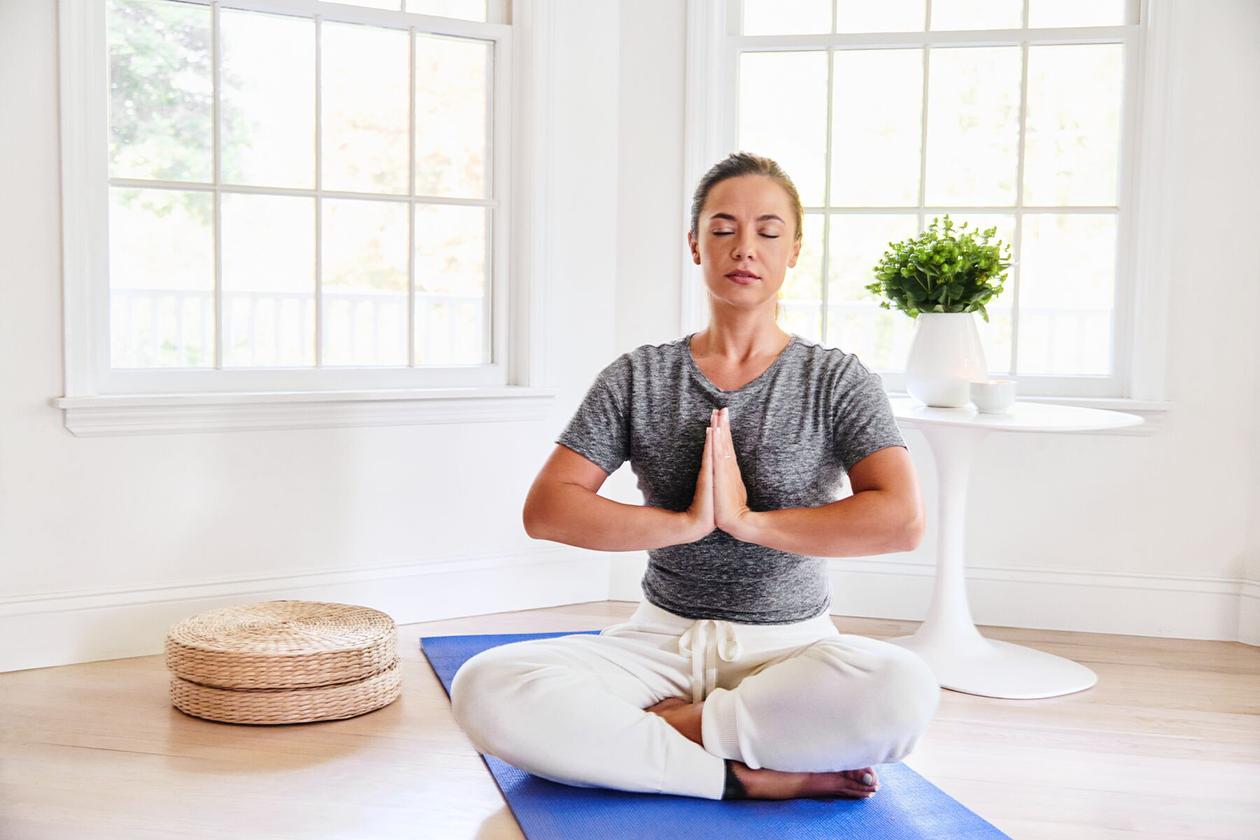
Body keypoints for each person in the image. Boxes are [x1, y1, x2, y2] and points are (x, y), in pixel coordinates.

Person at [450, 151, 939, 802]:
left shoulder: (836, 379)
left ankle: (668, 731)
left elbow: (902, 520)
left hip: (791, 651)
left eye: (768, 232)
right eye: (723, 228)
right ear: (694, 245)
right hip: (657, 643)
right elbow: (548, 510)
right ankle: (742, 777)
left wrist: (748, 522)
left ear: (794, 250)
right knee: (485, 686)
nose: (745, 248)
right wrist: (687, 523)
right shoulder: (640, 375)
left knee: (903, 689)